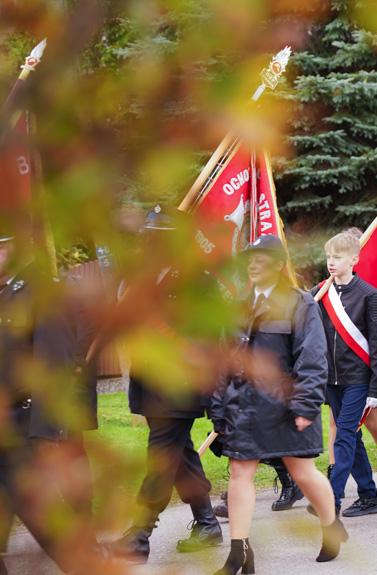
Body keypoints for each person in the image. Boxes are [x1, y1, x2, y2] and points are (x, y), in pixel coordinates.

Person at [210, 235, 347, 572]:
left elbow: (312, 359)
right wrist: (218, 407)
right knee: (240, 470)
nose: (253, 265)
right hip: (244, 405)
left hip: (287, 405)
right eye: (249, 259)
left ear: (278, 265)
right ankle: (239, 551)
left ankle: (331, 525)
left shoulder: (300, 303)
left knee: (301, 471)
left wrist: (304, 405)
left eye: (261, 259)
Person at [113, 205, 223, 563]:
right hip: (150, 384)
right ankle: (207, 524)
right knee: (181, 454)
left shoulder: (199, 280)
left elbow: (210, 337)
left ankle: (140, 535)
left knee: (161, 458)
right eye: (149, 235)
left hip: (180, 386)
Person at [0, 228, 110, 574]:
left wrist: (47, 433)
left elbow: (54, 365)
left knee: (47, 526)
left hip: (24, 429)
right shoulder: (6, 293)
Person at [310, 231, 377, 517]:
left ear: (354, 259)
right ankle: (369, 495)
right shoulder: (318, 294)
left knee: (343, 434)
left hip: (359, 379)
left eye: (338, 257)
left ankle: (330, 498)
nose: (331, 262)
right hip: (331, 379)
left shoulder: (370, 295)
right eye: (329, 257)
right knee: (351, 438)